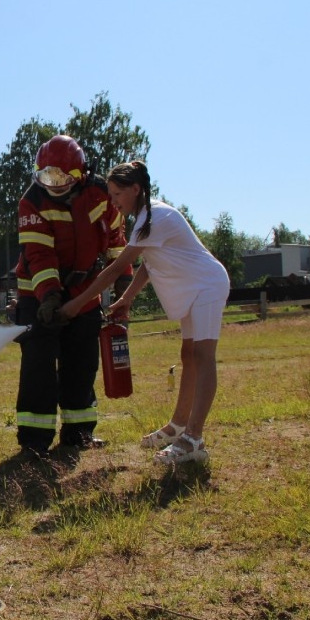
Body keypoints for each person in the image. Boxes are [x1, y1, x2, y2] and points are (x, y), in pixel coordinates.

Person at [60, 160, 230, 465]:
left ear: (135, 189)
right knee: (188, 355)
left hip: (206, 285)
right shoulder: (144, 219)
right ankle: (178, 426)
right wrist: (127, 298)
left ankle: (194, 439)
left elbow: (114, 270)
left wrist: (76, 304)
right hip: (194, 289)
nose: (112, 202)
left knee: (203, 355)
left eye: (116, 195)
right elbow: (147, 264)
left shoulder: (157, 216)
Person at [12, 135, 130, 457]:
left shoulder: (102, 195)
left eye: (61, 177)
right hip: (36, 292)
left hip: (85, 292)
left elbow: (118, 238)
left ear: (79, 173)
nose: (54, 184)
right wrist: (50, 297)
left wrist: (123, 279)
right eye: (47, 177)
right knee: (38, 366)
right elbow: (38, 255)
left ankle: (79, 435)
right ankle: (34, 443)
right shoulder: (32, 202)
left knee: (81, 364)